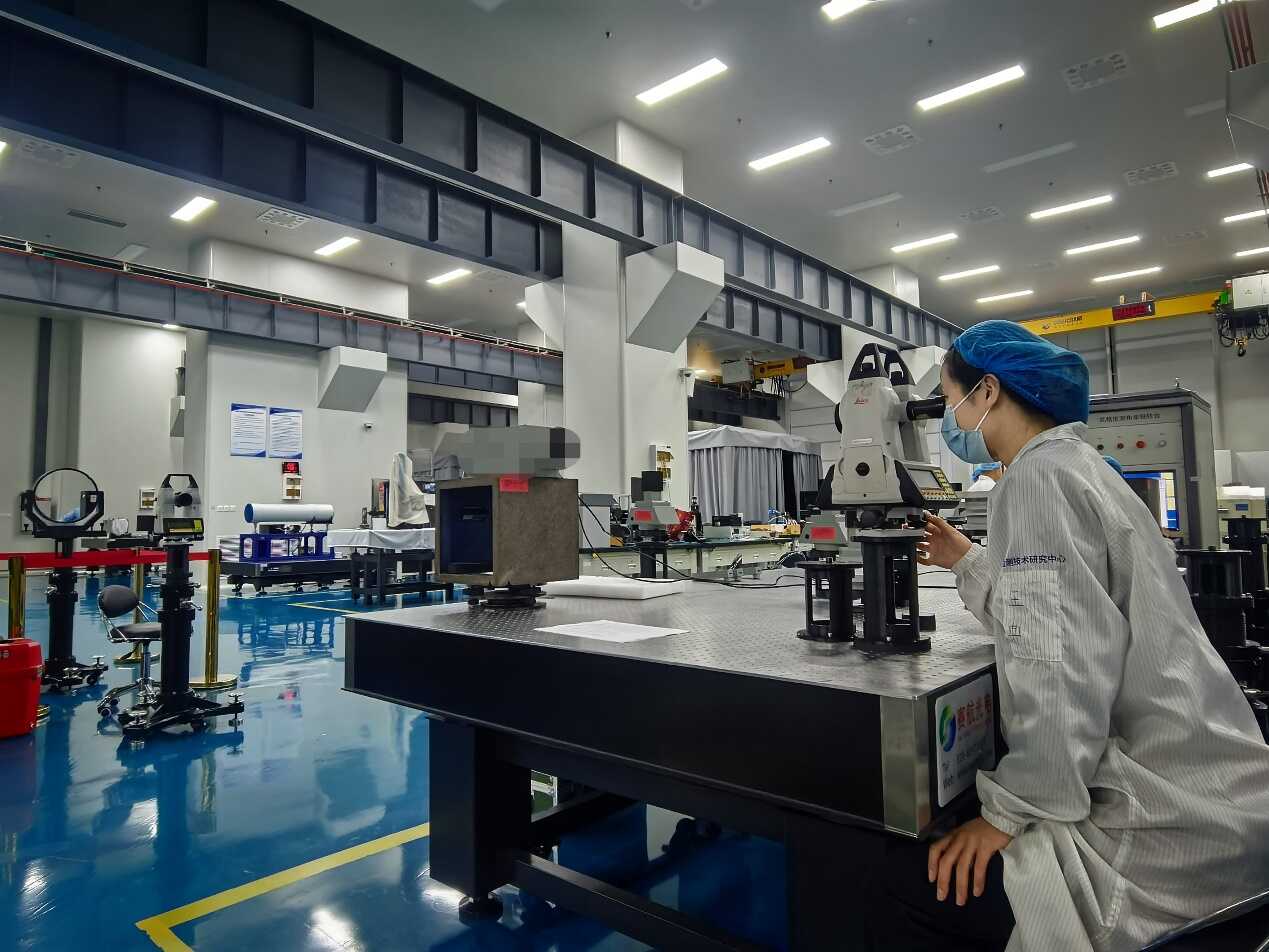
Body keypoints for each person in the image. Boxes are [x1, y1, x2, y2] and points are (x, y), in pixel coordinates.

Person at [890, 320, 1269, 952]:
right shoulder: (1078, 466)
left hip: (1162, 826)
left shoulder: (1036, 481)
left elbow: (1058, 668)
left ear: (988, 392)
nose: (952, 420)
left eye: (952, 400)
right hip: (1223, 795)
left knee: (900, 886)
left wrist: (1007, 813)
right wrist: (967, 560)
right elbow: (1058, 616)